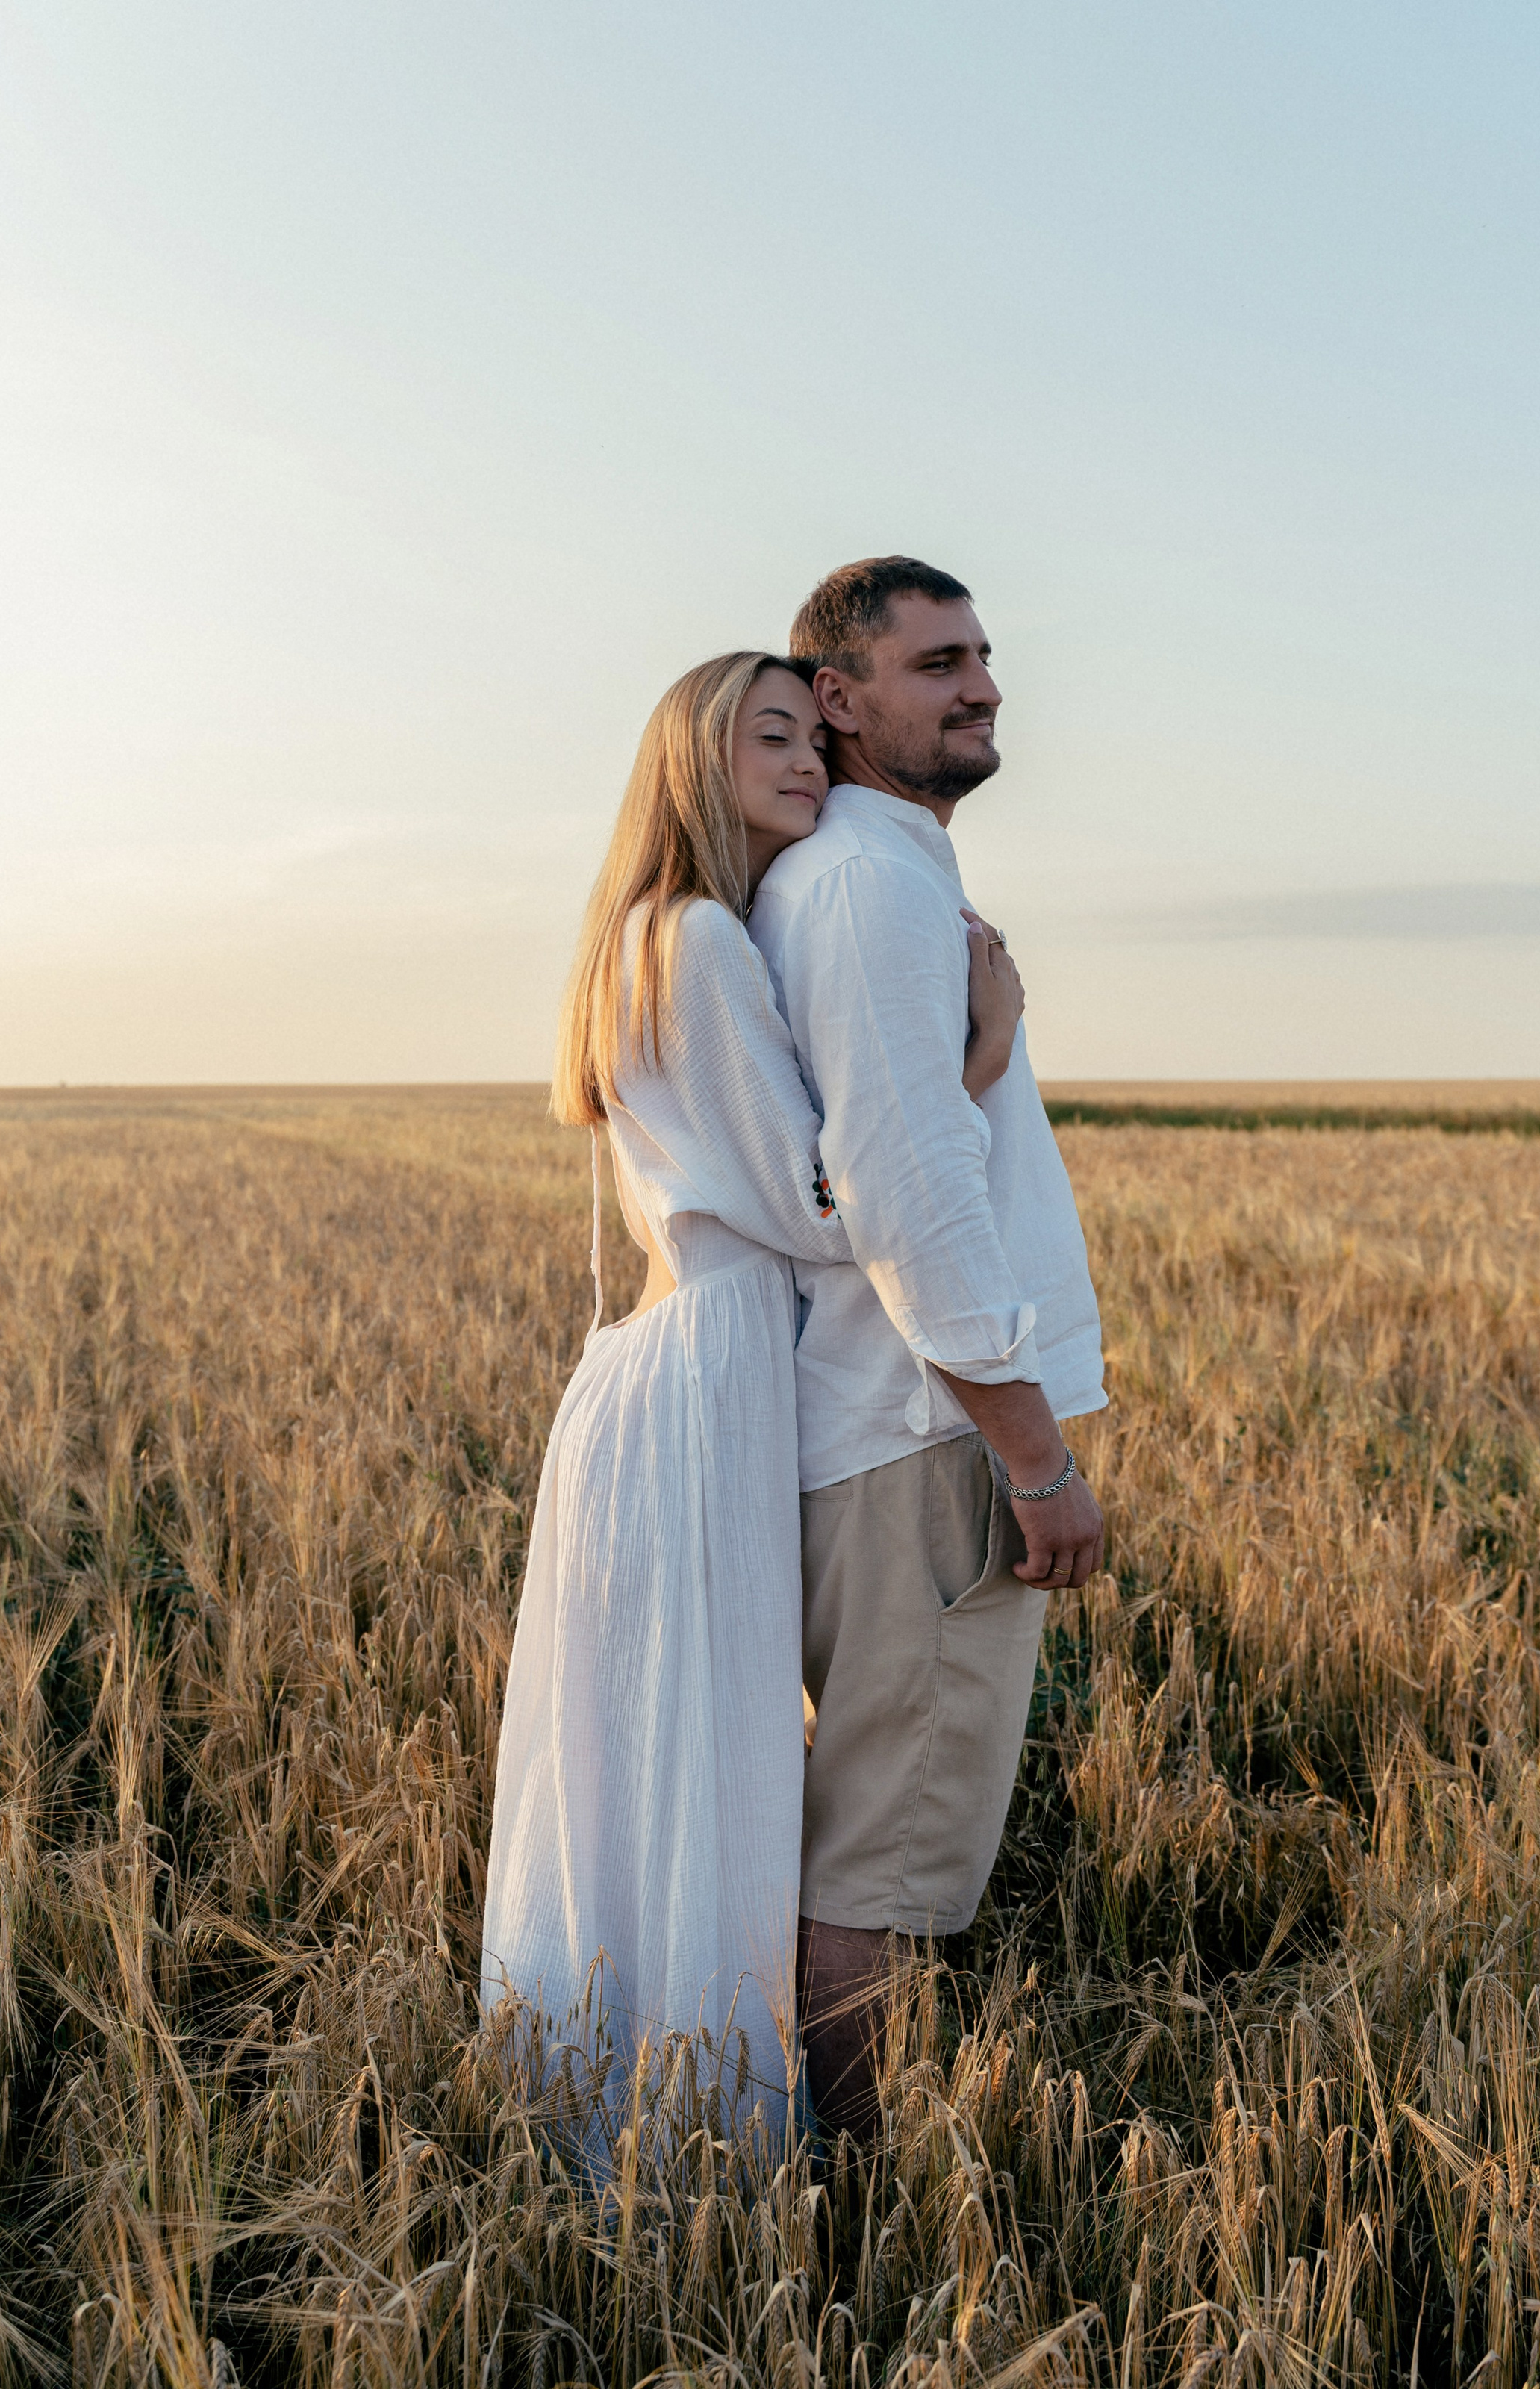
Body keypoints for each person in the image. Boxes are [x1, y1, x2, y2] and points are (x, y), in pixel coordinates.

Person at [478, 648, 1025, 2144]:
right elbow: (818, 1203)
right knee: (707, 1759)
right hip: (715, 1362)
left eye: (807, 735)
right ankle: (697, 2140)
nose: (803, 762)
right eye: (766, 739)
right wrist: (969, 1067)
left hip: (654, 1367)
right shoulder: (705, 943)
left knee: (651, 1756)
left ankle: (612, 2097)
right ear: (692, 767)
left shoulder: (634, 941)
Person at [746, 557, 1108, 2143]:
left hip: (907, 1424)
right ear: (839, 696)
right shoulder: (867, 884)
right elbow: (899, 1199)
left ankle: (850, 2181)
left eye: (983, 658)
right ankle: (860, 2213)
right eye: (936, 660)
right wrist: (1031, 1452)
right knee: (880, 1861)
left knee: (882, 1836)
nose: (980, 686)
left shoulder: (872, 877)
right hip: (922, 1436)